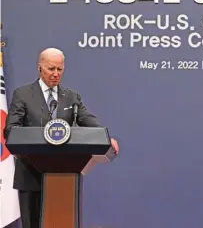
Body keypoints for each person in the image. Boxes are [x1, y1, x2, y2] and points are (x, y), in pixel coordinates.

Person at [4, 47, 120, 228]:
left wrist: (106, 138)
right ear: (39, 68)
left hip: (64, 176)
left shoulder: (71, 97)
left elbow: (87, 120)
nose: (56, 74)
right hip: (30, 175)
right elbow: (11, 130)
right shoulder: (23, 94)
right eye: (51, 69)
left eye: (60, 69)